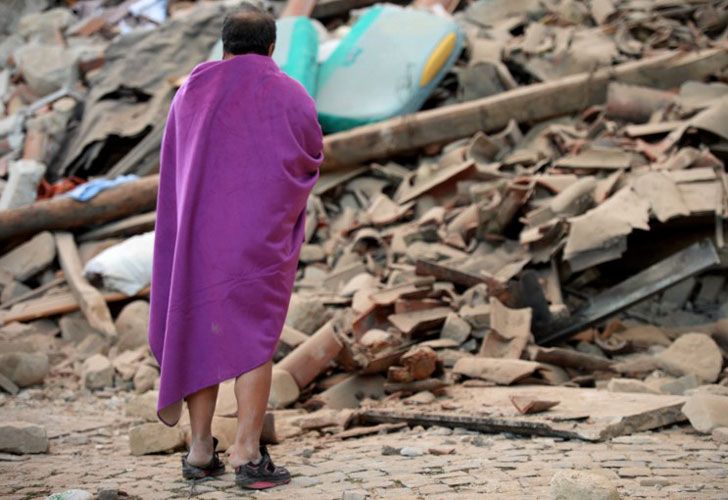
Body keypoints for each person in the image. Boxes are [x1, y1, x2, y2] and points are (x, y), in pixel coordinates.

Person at [147, 3, 323, 490]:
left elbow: (175, 165)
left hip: (199, 238)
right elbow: (310, 153)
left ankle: (201, 449)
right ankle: (246, 451)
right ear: (271, 47)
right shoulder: (289, 92)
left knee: (200, 327)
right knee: (254, 337)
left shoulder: (190, 91)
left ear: (224, 47)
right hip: (257, 242)